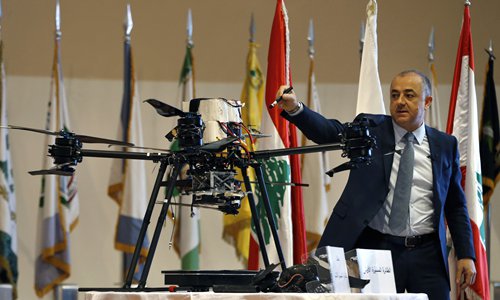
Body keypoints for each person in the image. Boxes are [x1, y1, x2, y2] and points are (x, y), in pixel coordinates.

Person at [277, 70, 476, 299]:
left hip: (427, 254)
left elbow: (456, 205)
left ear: (427, 101)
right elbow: (329, 132)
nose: (400, 102)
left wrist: (466, 254)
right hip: (380, 250)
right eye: (394, 95)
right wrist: (295, 108)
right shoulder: (370, 131)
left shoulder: (445, 144)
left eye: (409, 95)